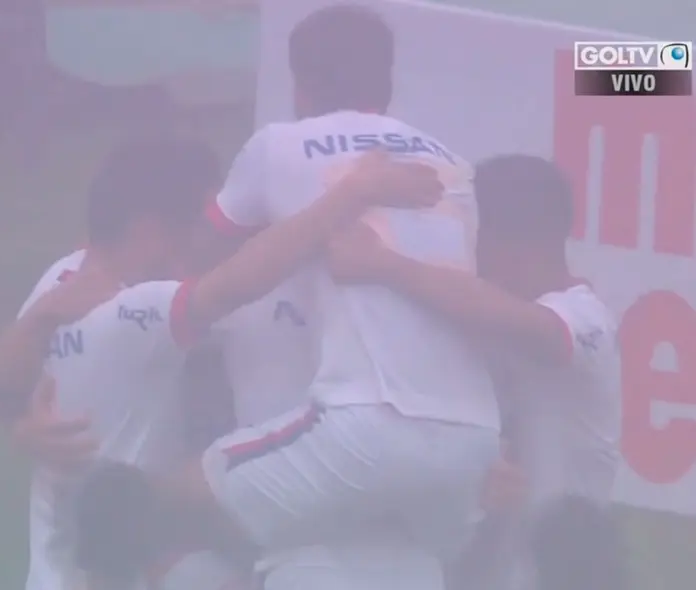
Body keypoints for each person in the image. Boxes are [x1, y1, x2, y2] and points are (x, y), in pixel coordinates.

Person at [76, 5, 500, 590]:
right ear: (387, 82)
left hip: (366, 423)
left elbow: (204, 255)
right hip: (472, 444)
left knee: (153, 499)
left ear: (300, 87)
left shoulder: (278, 145)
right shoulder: (451, 163)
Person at [0, 133, 442, 590]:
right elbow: (237, 283)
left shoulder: (58, 284)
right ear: (150, 230)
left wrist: (17, 423)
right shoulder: (136, 310)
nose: (211, 239)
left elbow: (1, 391)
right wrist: (352, 193)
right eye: (202, 224)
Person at [327, 154, 622, 590]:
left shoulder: (585, 317)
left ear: (505, 243)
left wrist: (382, 264)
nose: (462, 253)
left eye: (469, 236)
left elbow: (538, 330)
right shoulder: (477, 322)